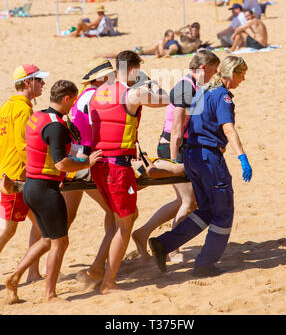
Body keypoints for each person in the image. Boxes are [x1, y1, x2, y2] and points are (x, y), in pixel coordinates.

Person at [149, 56, 252, 278]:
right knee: (223, 211)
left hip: (193, 156)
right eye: (242, 75)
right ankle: (205, 264)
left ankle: (164, 243)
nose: (243, 80)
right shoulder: (222, 96)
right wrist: (242, 156)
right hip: (208, 159)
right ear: (232, 74)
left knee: (205, 210)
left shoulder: (202, 92)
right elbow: (228, 130)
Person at [5, 80, 103, 304]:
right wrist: (88, 162)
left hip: (30, 186)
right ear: (67, 98)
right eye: (73, 100)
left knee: (48, 239)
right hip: (46, 190)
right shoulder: (56, 126)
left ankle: (15, 276)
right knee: (60, 243)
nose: (73, 106)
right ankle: (49, 294)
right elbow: (61, 164)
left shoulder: (37, 117)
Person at [83, 50, 169, 294]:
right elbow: (165, 98)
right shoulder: (133, 92)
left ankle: (98, 270)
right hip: (117, 166)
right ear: (133, 69)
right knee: (124, 223)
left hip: (98, 164)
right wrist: (147, 80)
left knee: (123, 217)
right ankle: (108, 283)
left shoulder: (98, 93)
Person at [132, 51, 220, 260]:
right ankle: (172, 248)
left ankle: (143, 233)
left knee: (186, 200)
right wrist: (173, 160)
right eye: (213, 69)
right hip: (173, 147)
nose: (215, 73)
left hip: (180, 146)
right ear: (203, 68)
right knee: (189, 202)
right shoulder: (185, 87)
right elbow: (177, 130)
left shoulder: (192, 85)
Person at [0, 64, 49, 283]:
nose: (43, 84)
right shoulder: (23, 109)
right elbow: (23, 146)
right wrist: (39, 169)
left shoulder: (7, 106)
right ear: (28, 82)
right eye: (39, 80)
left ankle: (33, 272)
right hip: (17, 177)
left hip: (10, 172)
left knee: (39, 224)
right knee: (8, 229)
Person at [62, 59, 116, 230]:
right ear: (101, 78)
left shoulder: (83, 94)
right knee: (114, 211)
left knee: (66, 218)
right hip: (85, 157)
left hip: (74, 155)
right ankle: (108, 258)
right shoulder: (95, 96)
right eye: (110, 74)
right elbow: (99, 129)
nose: (113, 77)